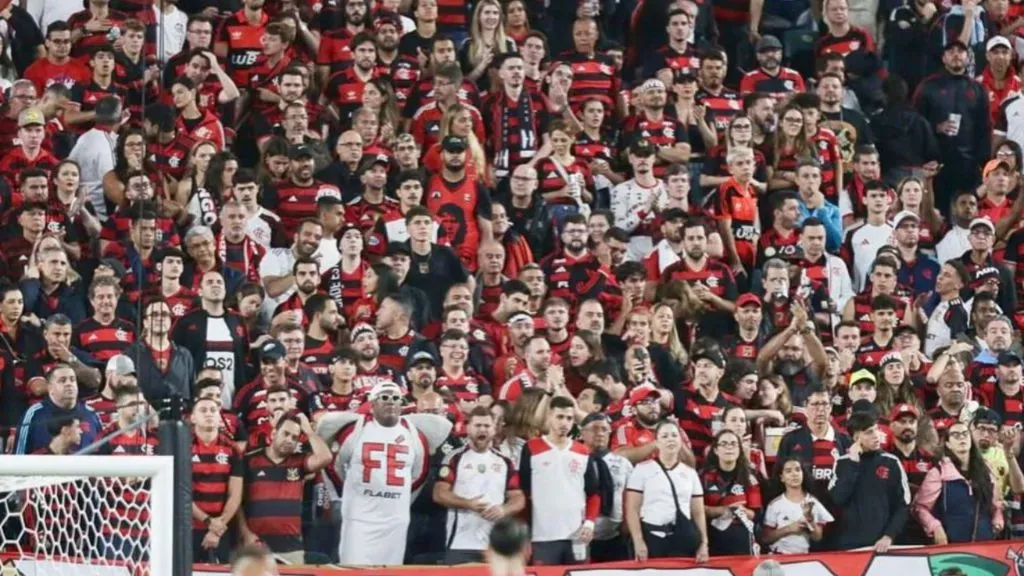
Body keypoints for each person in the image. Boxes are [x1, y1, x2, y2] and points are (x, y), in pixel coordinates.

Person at [317, 380, 453, 566]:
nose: (391, 401)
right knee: (353, 568)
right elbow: (334, 466)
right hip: (359, 516)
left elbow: (419, 474)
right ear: (372, 405)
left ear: (401, 404)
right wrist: (349, 493)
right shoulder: (355, 429)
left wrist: (401, 495)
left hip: (395, 518)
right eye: (385, 397)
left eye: (396, 398)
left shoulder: (415, 433)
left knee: (391, 569)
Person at [433, 406, 525, 564]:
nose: (482, 429)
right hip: (460, 543)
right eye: (477, 425)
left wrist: (503, 509)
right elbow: (439, 493)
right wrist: (468, 504)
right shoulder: (454, 458)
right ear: (468, 428)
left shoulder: (505, 462)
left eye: (487, 426)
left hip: (494, 544)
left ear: (494, 429)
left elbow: (518, 498)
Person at [518, 395, 601, 565]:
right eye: (560, 417)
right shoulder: (532, 448)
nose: (564, 423)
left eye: (569, 418)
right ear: (549, 417)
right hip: (543, 537)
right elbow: (523, 493)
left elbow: (594, 493)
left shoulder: (583, 452)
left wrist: (590, 523)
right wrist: (525, 534)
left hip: (577, 537)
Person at [624, 420, 709, 562]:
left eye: (674, 435)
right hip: (652, 537)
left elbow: (698, 513)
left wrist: (704, 543)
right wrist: (638, 541)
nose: (670, 439)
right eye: (665, 436)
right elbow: (632, 509)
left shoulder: (690, 473)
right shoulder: (642, 469)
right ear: (656, 443)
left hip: (682, 536)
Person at [829, 411, 910, 552]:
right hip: (849, 546)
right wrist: (853, 464)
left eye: (876, 430)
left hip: (883, 545)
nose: (876, 435)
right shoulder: (842, 464)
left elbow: (903, 504)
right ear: (856, 437)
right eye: (869, 432)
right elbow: (838, 499)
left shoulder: (891, 462)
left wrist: (889, 536)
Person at [913, 421, 1004, 543]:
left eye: (965, 434)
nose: (962, 438)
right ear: (948, 444)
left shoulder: (986, 471)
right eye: (955, 435)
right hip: (951, 545)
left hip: (984, 543)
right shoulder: (939, 472)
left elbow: (996, 504)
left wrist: (997, 519)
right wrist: (935, 527)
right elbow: (920, 507)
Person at [762, 457, 834, 554]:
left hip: (803, 556)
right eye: (788, 471)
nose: (794, 474)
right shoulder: (775, 504)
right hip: (778, 556)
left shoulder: (812, 502)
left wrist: (810, 521)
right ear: (782, 477)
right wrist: (789, 529)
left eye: (798, 469)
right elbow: (766, 538)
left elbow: (817, 537)